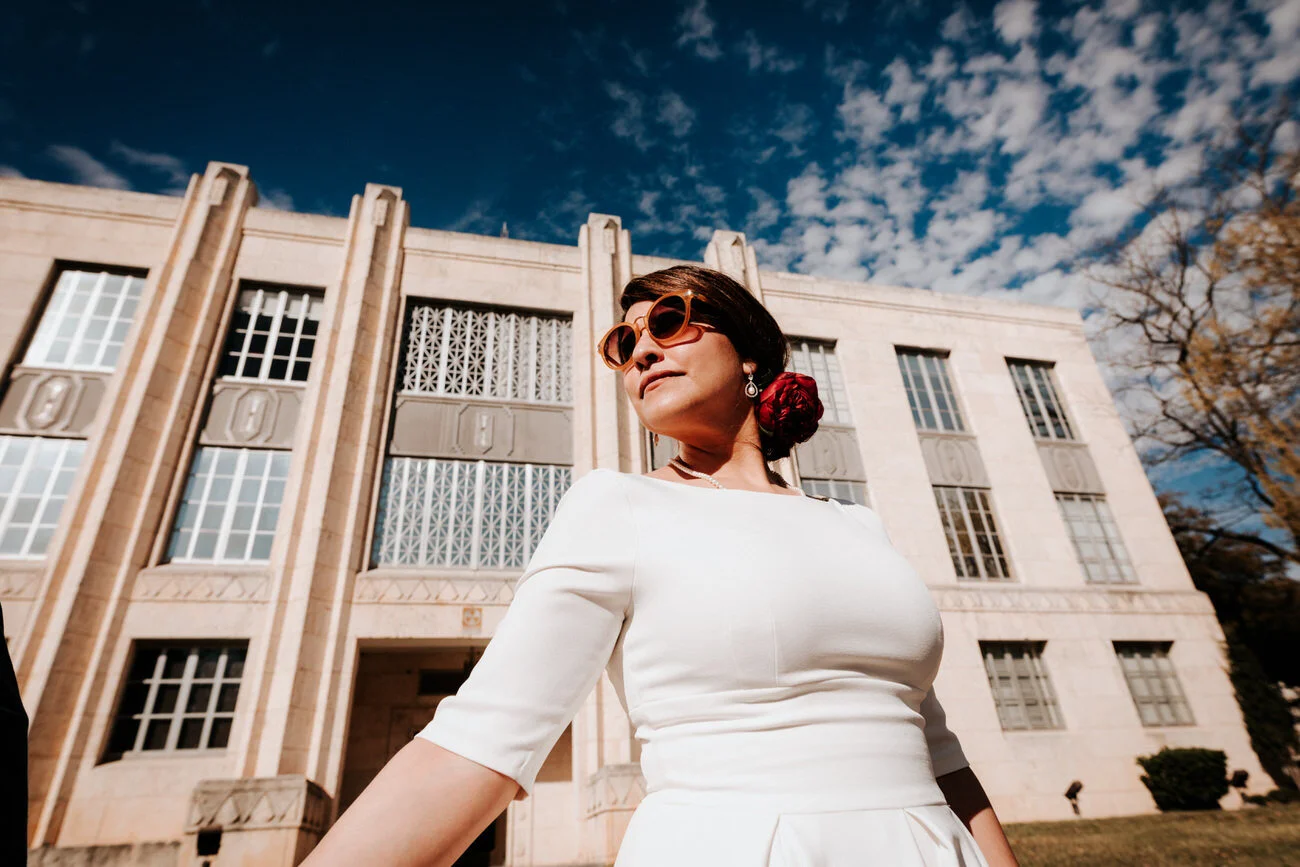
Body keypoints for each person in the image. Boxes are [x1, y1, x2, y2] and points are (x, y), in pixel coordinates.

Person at [303, 265, 1020, 866]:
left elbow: (938, 749)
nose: (641, 351)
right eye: (625, 341)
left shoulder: (859, 525)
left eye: (670, 321)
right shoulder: (615, 506)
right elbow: (476, 744)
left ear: (749, 354)